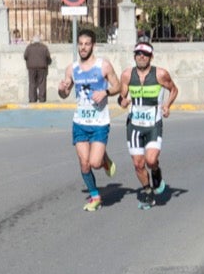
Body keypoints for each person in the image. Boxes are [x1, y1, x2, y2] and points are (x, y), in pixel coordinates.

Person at [56, 27, 119, 211]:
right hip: (80, 123)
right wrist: (62, 89)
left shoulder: (103, 66)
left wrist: (105, 92)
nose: (83, 47)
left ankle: (104, 159)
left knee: (95, 163)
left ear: (93, 46)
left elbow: (118, 86)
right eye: (80, 44)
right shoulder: (72, 69)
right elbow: (65, 93)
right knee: (84, 163)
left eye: (87, 44)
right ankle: (95, 196)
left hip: (99, 122)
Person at [119, 40, 177, 210]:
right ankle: (148, 191)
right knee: (138, 164)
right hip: (134, 125)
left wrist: (167, 105)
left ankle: (156, 171)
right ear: (134, 56)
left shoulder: (160, 74)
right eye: (138, 54)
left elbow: (174, 90)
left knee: (151, 160)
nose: (141, 57)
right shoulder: (127, 75)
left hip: (153, 124)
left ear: (151, 57)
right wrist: (122, 101)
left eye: (145, 54)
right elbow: (122, 97)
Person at [23, 38, 52, 103]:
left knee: (32, 83)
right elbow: (48, 57)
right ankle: (42, 99)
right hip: (42, 68)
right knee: (42, 83)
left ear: (33, 41)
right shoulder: (44, 47)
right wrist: (46, 62)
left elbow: (25, 56)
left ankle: (32, 99)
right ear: (40, 41)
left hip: (31, 68)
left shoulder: (29, 47)